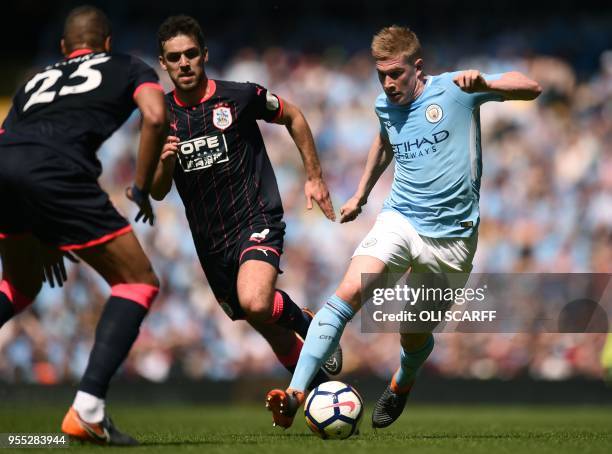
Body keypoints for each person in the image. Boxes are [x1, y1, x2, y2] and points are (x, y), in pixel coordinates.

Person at [266, 25, 542, 429]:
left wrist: (487, 81)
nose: (388, 83)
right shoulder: (384, 105)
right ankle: (295, 393)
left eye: (396, 73)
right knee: (348, 291)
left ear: (418, 67)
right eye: (381, 74)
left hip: (452, 239)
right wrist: (361, 194)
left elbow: (530, 87)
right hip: (401, 219)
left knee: (412, 334)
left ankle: (403, 381)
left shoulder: (455, 89)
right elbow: (384, 141)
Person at [0, 6, 167, 445]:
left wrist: (41, 228)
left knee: (19, 286)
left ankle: (89, 409)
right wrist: (140, 186)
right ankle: (88, 409)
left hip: (6, 169)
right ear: (107, 43)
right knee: (138, 282)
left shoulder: (34, 81)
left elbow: (9, 143)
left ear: (63, 48)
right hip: (57, 172)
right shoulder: (128, 64)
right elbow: (154, 115)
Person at [152, 16, 342, 389]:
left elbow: (293, 115)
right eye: (175, 57)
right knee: (269, 327)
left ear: (204, 55)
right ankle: (321, 393)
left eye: (191, 54)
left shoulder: (238, 96)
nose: (184, 63)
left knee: (256, 302)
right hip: (211, 242)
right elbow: (157, 191)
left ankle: (312, 324)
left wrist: (315, 177)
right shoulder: (158, 117)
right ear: (164, 63)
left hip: (256, 217)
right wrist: (163, 163)